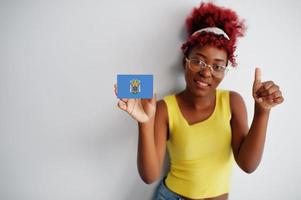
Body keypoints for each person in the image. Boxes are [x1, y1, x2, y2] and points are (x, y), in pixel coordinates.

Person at [114, 2, 284, 200]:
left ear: (226, 70)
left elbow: (248, 165)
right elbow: (149, 176)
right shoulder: (164, 108)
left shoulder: (233, 103)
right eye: (198, 61)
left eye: (217, 66)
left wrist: (262, 112)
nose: (206, 72)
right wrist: (144, 123)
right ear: (185, 60)